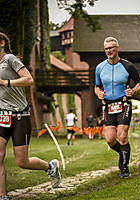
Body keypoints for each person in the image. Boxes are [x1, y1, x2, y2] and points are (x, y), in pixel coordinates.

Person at [0, 32, 61, 199]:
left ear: (2, 43)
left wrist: (6, 82)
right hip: (1, 117)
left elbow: (29, 79)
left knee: (22, 162)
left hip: (20, 115)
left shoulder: (10, 59)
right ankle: (3, 196)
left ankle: (50, 167)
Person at [94, 36, 140, 178]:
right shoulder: (100, 67)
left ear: (117, 48)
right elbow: (96, 87)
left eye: (111, 48)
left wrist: (133, 91)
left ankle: (124, 167)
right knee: (110, 139)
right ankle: (123, 153)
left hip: (123, 103)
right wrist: (99, 94)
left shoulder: (128, 66)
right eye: (106, 49)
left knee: (122, 136)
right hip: (107, 106)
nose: (108, 51)